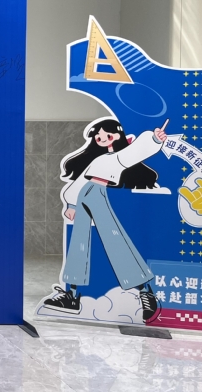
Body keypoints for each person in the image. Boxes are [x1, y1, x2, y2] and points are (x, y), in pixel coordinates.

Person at [41, 118, 166, 323]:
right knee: (79, 243)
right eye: (99, 136)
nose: (103, 139)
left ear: (118, 135)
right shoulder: (98, 159)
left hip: (101, 193)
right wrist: (71, 204)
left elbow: (135, 152)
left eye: (108, 135)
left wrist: (154, 139)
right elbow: (81, 181)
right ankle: (72, 295)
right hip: (85, 194)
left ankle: (145, 291)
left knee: (115, 241)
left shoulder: (119, 157)